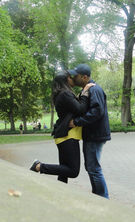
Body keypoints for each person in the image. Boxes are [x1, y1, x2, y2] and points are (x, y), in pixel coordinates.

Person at [29, 71, 94, 183]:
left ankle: (60, 192)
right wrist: (84, 92)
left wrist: (80, 94)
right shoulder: (64, 94)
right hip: (68, 136)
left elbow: (74, 107)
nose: (72, 78)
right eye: (70, 77)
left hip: (64, 136)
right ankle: (39, 166)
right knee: (73, 171)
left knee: (63, 170)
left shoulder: (62, 94)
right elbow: (80, 109)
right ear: (65, 80)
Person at [68, 64, 111, 199]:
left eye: (76, 76)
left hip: (95, 135)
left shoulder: (94, 90)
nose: (73, 78)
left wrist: (76, 122)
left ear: (84, 77)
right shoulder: (88, 90)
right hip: (92, 134)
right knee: (91, 168)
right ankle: (99, 196)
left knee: (93, 168)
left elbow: (97, 112)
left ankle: (103, 199)